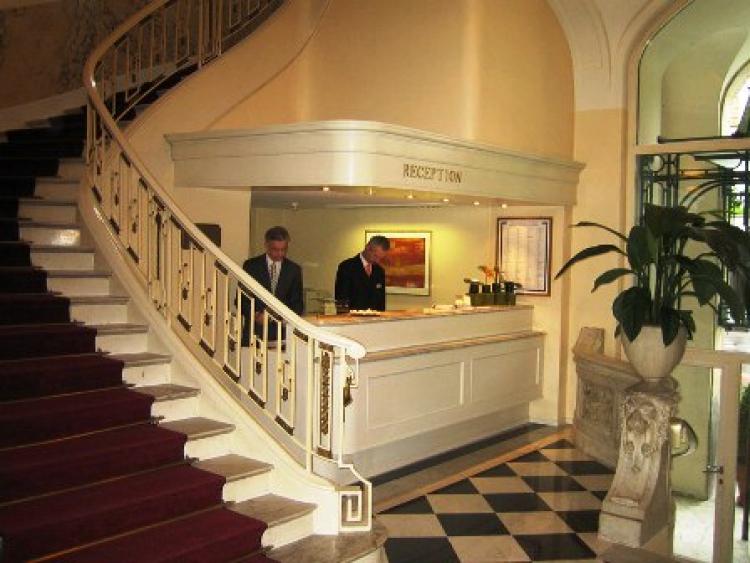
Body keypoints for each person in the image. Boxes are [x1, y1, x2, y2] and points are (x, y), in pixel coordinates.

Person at [241, 226, 303, 344]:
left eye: (283, 249)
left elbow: (297, 303)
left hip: (282, 333)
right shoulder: (251, 266)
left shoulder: (294, 270)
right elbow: (242, 299)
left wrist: (286, 319)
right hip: (255, 332)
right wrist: (255, 315)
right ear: (266, 245)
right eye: (275, 249)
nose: (280, 253)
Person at [335, 236, 390, 311]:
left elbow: (381, 301)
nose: (377, 261)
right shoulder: (347, 267)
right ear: (367, 248)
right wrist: (343, 316)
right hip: (351, 317)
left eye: (380, 258)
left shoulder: (379, 271)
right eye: (375, 256)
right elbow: (341, 298)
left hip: (375, 317)